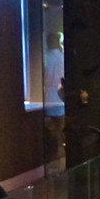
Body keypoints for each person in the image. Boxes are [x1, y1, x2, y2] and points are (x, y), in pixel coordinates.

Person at [42, 32, 66, 165]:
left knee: (52, 131)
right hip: (61, 98)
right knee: (60, 129)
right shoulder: (63, 57)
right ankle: (60, 153)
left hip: (49, 98)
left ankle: (56, 153)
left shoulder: (45, 58)